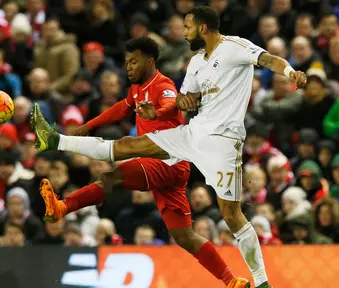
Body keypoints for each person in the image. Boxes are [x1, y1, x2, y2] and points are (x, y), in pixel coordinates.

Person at [32, 6, 308, 288]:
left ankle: (262, 282)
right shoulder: (196, 62)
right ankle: (56, 141)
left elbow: (269, 59)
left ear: (202, 28)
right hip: (191, 134)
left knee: (231, 215)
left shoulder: (234, 47)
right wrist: (177, 106)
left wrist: (290, 71)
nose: (184, 33)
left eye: (187, 28)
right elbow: (182, 99)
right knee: (131, 152)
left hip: (222, 142)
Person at [33, 36, 248, 288]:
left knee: (111, 176)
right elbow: (121, 109)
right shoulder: (136, 89)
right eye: (126, 62)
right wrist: (88, 126)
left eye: (134, 61)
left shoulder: (162, 84)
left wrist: (155, 112)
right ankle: (231, 280)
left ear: (150, 61)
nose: (129, 67)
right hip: (167, 168)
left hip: (167, 161)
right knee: (184, 236)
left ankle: (62, 203)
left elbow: (171, 103)